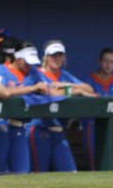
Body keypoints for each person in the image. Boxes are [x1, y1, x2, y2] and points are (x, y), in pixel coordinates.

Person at [25, 41, 95, 172]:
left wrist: (66, 84)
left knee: (70, 173)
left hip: (59, 131)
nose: (57, 59)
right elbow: (51, 93)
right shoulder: (36, 73)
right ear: (46, 57)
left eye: (60, 55)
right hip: (39, 129)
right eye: (53, 55)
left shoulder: (65, 76)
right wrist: (76, 91)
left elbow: (89, 89)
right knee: (39, 173)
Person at [0, 43, 45, 174]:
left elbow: (46, 88)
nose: (29, 65)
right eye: (27, 61)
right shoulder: (0, 70)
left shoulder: (33, 73)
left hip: (20, 127)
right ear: (18, 57)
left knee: (22, 172)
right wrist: (31, 88)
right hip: (0, 126)